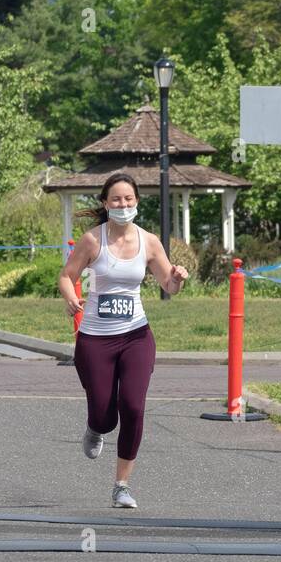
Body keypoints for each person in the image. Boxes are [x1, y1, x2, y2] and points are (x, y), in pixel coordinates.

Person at [58, 173, 189, 509]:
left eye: (129, 199)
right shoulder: (92, 240)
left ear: (137, 203)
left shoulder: (150, 242)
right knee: (105, 416)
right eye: (116, 199)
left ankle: (121, 485)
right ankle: (94, 427)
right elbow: (66, 275)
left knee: (133, 407)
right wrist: (71, 296)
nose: (123, 205)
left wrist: (176, 279)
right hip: (95, 340)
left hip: (136, 336)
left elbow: (167, 285)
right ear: (105, 203)